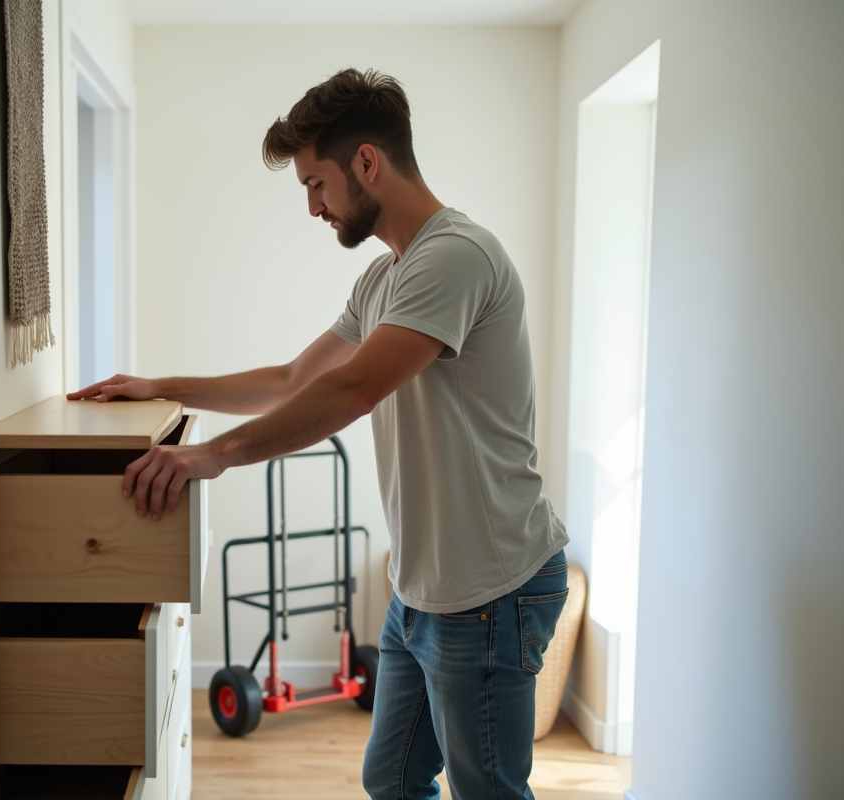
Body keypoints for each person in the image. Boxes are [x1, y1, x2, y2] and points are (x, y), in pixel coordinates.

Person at [68, 67, 570, 800]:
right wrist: (163, 386)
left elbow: (357, 388)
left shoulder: (456, 256)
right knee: (393, 779)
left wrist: (213, 457)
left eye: (315, 183)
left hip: (491, 590)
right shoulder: (382, 280)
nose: (312, 207)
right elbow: (295, 378)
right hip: (423, 589)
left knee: (486, 789)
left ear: (367, 162)